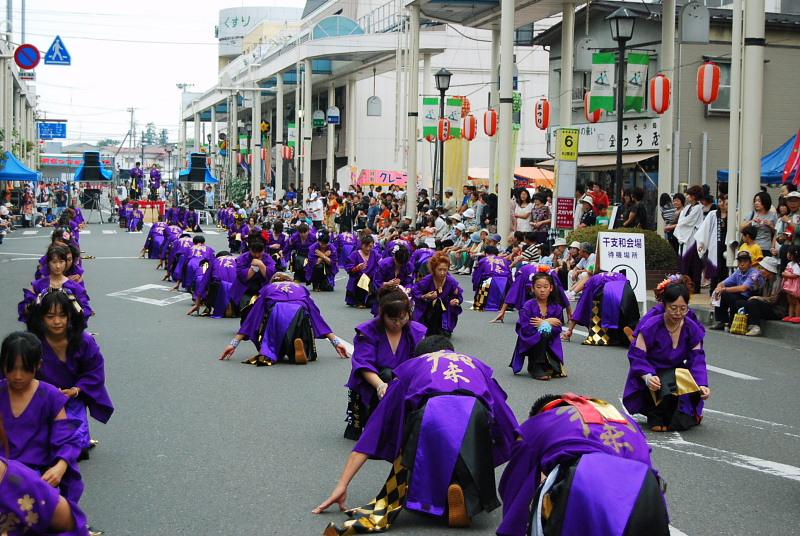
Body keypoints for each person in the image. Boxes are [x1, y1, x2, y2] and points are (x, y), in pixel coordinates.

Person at [315, 336, 518, 532]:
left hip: (431, 414)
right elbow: (504, 413)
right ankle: (466, 494)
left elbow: (376, 428)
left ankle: (433, 497)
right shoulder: (476, 364)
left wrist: (342, 484)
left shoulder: (413, 367)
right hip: (476, 414)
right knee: (473, 441)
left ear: (421, 355)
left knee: (421, 436)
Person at [496, 393, 670, 536]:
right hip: (641, 491)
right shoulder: (628, 423)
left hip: (583, 481)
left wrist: (513, 525)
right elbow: (652, 476)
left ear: (540, 413)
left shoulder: (539, 423)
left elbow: (516, 482)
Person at [26, 290, 114, 459]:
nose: (57, 321)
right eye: (50, 316)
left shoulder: (85, 341)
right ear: (41, 318)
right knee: (39, 448)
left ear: (70, 317)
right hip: (39, 398)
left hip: (73, 397)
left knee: (76, 448)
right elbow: (16, 371)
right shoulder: (32, 342)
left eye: (62, 315)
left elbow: (94, 371)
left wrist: (76, 390)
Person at [0, 332, 84, 503]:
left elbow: (67, 439)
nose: (17, 375)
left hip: (37, 475)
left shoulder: (51, 396)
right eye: (11, 368)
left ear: (38, 365)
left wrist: (60, 467)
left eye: (24, 368)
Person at [624, 280, 710, 431]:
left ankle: (682, 412)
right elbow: (636, 355)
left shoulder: (691, 327)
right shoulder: (651, 325)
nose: (678, 313)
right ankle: (655, 414)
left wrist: (702, 384)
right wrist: (647, 376)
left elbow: (697, 358)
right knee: (661, 385)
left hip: (677, 373)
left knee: (682, 421)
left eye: (683, 309)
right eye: (673, 308)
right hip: (652, 372)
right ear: (664, 305)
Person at [344, 287, 427, 440]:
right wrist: (380, 385)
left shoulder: (417, 332)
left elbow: (423, 362)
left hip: (405, 382)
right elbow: (363, 363)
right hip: (373, 382)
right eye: (393, 319)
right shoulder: (368, 331)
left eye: (403, 318)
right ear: (382, 314)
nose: (398, 323)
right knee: (387, 373)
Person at [220, 273, 349, 366]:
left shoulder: (268, 288)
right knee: (304, 321)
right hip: (299, 312)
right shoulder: (300, 288)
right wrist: (336, 343)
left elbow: (253, 317)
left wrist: (233, 344)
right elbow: (316, 316)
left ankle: (275, 351)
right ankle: (301, 348)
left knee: (271, 344)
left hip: (276, 313)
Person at [511, 272, 568, 381]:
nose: (542, 290)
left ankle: (545, 363)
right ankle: (535, 365)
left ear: (551, 288)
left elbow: (558, 327)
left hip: (550, 338)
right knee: (543, 331)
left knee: (546, 330)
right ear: (532, 288)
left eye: (546, 287)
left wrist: (544, 322)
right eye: (538, 287)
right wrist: (547, 323)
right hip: (529, 338)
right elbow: (526, 328)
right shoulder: (527, 307)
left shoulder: (557, 307)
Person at [19, 245, 93, 324]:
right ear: (48, 263)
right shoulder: (38, 285)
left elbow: (86, 310)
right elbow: (24, 309)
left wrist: (72, 311)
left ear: (65, 263)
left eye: (61, 262)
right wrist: (34, 305)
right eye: (54, 262)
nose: (58, 266)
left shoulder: (74, 286)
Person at [563, 271, 640, 346]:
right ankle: (635, 334)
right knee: (629, 314)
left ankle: (610, 338)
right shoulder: (617, 274)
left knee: (600, 307)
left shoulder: (590, 282)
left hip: (608, 291)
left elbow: (580, 307)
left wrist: (570, 330)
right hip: (625, 287)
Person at [411, 252, 463, 336]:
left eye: (445, 270)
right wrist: (425, 296)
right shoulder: (427, 280)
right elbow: (415, 291)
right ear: (434, 269)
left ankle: (444, 327)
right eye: (440, 269)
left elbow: (458, 296)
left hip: (444, 310)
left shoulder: (451, 282)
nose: (442, 273)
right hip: (427, 308)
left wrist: (456, 301)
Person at [711, 250, 763, 329]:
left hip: (751, 298)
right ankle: (722, 321)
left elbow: (743, 288)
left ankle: (731, 323)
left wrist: (724, 289)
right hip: (740, 296)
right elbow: (724, 283)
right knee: (720, 293)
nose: (742, 264)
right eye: (740, 261)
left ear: (750, 263)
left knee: (727, 295)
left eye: (745, 261)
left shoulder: (754, 273)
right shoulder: (738, 272)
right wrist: (718, 288)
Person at [229, 235, 276, 320]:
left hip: (263, 288)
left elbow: (270, 276)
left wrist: (260, 264)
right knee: (246, 312)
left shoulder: (268, 258)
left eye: (260, 252)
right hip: (246, 288)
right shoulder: (243, 258)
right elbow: (244, 276)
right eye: (254, 252)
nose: (257, 255)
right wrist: (253, 267)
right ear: (249, 249)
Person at [736, 257, 787, 335]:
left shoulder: (778, 281)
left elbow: (773, 300)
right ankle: (736, 324)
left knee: (754, 302)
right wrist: (756, 283)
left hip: (776, 311)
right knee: (740, 302)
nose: (760, 270)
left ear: (769, 270)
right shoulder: (765, 280)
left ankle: (755, 326)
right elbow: (756, 291)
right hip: (767, 306)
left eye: (762, 268)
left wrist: (757, 298)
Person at [674, 185, 705, 292]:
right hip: (685, 237)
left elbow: (688, 221)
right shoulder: (687, 207)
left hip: (693, 237)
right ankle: (684, 285)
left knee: (693, 262)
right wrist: (681, 223)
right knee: (684, 261)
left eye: (690, 195)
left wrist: (680, 224)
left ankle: (693, 286)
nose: (688, 197)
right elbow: (682, 218)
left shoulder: (698, 208)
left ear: (694, 196)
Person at [189, 251, 238, 318]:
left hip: (219, 287)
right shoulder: (237, 260)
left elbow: (203, 283)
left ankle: (223, 305)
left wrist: (197, 304)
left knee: (213, 285)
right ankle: (233, 306)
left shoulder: (214, 261)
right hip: (236, 289)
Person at [695, 195, 728, 293]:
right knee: (714, 267)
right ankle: (713, 290)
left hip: (726, 245)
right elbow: (705, 229)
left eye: (725, 203)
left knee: (725, 268)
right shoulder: (713, 214)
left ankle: (723, 290)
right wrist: (702, 243)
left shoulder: (733, 215)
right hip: (715, 244)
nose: (722, 204)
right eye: (721, 201)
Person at [371, 244, 414, 315]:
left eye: (403, 264)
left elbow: (409, 281)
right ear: (394, 257)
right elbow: (377, 281)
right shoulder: (383, 264)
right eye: (398, 263)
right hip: (385, 292)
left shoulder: (409, 266)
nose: (401, 265)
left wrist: (408, 288)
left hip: (401, 293)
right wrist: (386, 284)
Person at [344, 235, 379, 308]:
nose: (368, 248)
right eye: (366, 246)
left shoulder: (375, 254)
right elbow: (349, 267)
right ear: (362, 245)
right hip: (358, 279)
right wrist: (357, 268)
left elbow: (380, 266)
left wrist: (372, 274)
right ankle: (359, 301)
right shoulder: (355, 254)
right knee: (363, 279)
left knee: (371, 303)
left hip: (372, 279)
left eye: (370, 246)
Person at [741, 191, 777, 256]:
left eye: (759, 201)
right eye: (755, 201)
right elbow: (741, 228)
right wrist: (751, 222)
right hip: (752, 247)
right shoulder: (752, 214)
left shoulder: (773, 215)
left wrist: (770, 225)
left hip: (766, 248)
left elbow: (777, 232)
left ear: (765, 201)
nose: (756, 203)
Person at [782, 245, 800, 319]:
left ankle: (797, 316)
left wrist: (786, 275)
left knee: (796, 301)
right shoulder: (789, 263)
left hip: (795, 285)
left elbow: (796, 275)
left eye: (789, 253)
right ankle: (790, 316)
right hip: (789, 284)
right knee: (790, 301)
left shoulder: (797, 265)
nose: (788, 254)